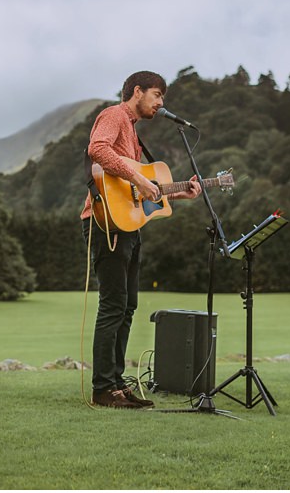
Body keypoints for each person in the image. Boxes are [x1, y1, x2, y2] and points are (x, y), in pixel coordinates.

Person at [80, 70, 201, 409]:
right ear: (137, 91)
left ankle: (117, 383)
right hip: (106, 226)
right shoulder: (115, 115)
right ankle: (103, 388)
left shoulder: (132, 132)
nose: (161, 104)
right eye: (157, 95)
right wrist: (136, 175)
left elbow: (140, 193)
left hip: (128, 227)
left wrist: (179, 194)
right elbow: (97, 149)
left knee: (128, 306)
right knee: (113, 306)